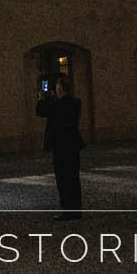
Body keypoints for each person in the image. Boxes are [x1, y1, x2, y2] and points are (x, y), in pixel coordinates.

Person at [34, 76, 84, 219]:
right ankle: (76, 209)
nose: (55, 90)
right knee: (74, 178)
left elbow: (40, 111)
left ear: (61, 89)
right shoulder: (75, 103)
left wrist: (41, 98)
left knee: (63, 179)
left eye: (57, 88)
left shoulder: (57, 105)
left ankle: (68, 210)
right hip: (73, 145)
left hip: (61, 147)